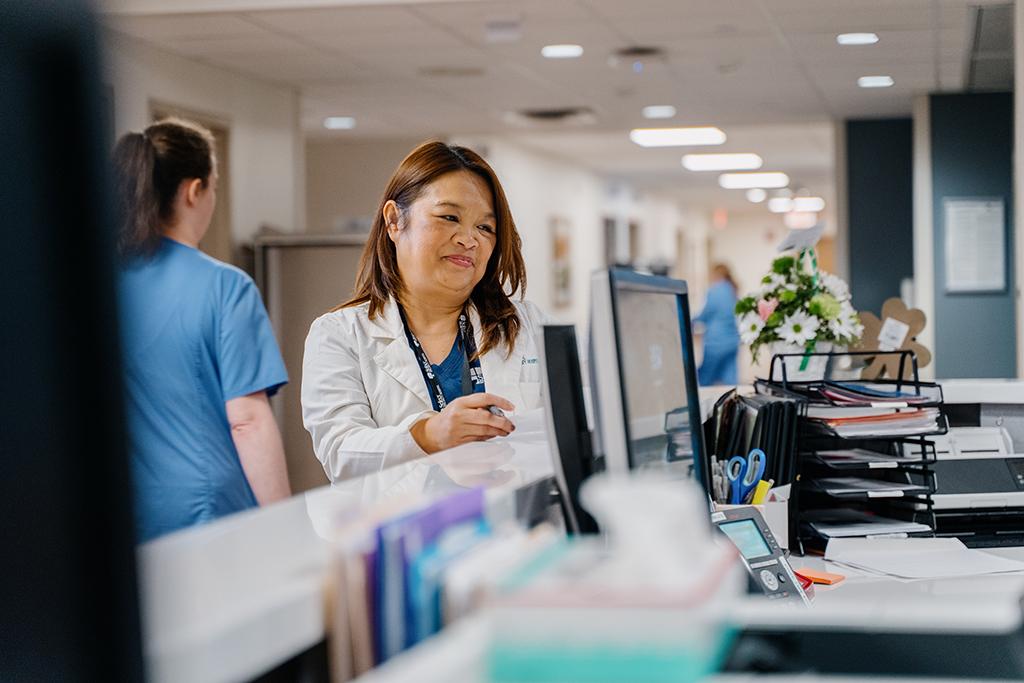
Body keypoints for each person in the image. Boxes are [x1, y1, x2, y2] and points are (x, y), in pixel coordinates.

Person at [302, 141, 558, 483]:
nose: (469, 239)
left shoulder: (528, 325)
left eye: (485, 228)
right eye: (449, 217)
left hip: (513, 525)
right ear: (394, 221)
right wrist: (429, 435)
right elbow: (341, 453)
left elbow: (595, 400)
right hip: (405, 529)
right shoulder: (339, 335)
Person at [113, 118, 291, 542]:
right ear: (195, 191)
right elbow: (247, 421)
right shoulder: (225, 287)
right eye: (213, 186)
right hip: (207, 511)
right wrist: (287, 527)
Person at [694, 263, 740, 386]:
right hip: (732, 342)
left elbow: (705, 315)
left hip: (716, 343)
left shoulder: (714, 291)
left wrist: (688, 322)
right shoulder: (732, 289)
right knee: (731, 383)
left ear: (716, 274)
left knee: (705, 380)